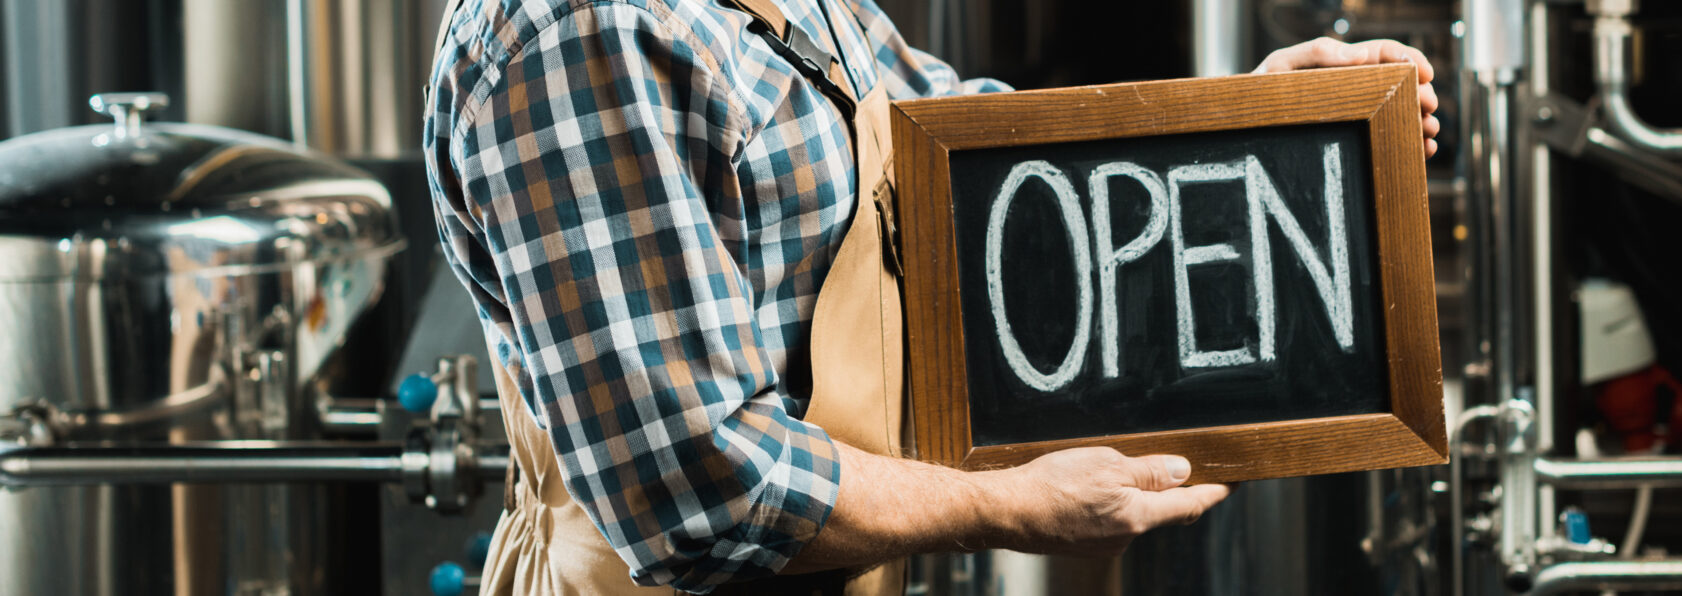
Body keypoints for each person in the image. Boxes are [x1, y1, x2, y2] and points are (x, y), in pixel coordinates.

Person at [421, 0, 1440, 593]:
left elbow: (970, 157)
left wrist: (1241, 129)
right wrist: (1012, 505)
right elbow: (697, 483)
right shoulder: (582, 33)